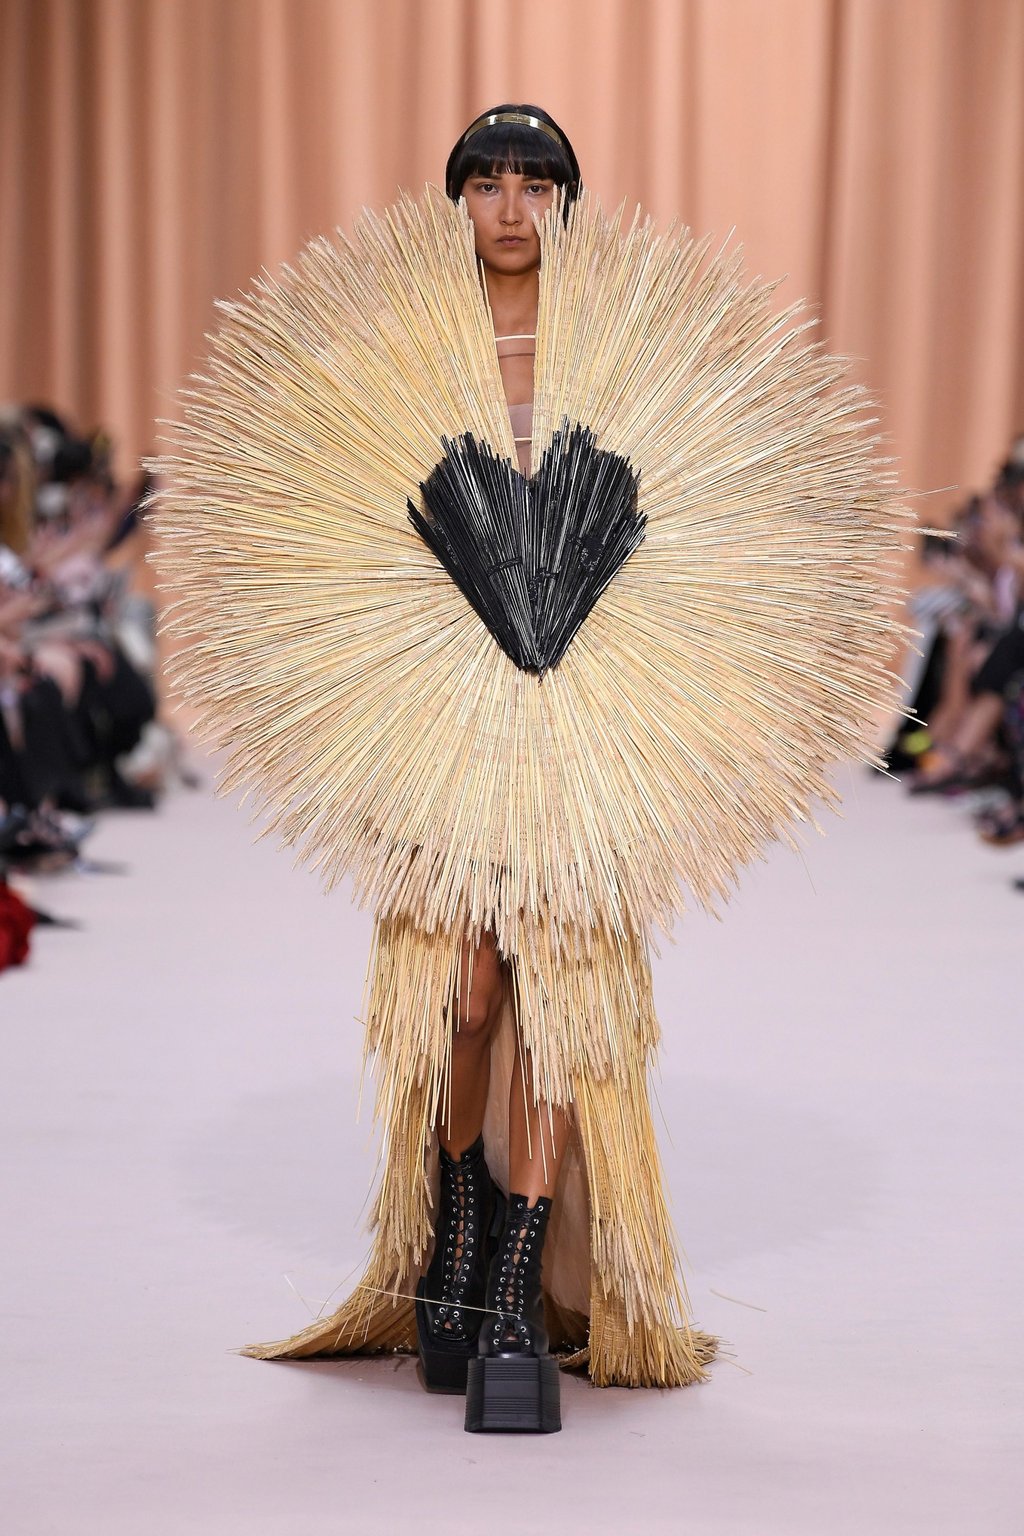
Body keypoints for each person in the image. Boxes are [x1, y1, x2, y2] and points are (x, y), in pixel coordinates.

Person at [243, 103, 717, 1433]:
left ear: (567, 199)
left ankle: (511, 1289)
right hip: (439, 706)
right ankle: (454, 1223)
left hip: (585, 700)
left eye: (536, 181)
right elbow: (340, 523)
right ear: (458, 199)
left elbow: (674, 522)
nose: (512, 205)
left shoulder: (616, 349)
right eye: (488, 181)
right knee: (460, 989)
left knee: (561, 995)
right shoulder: (405, 345)